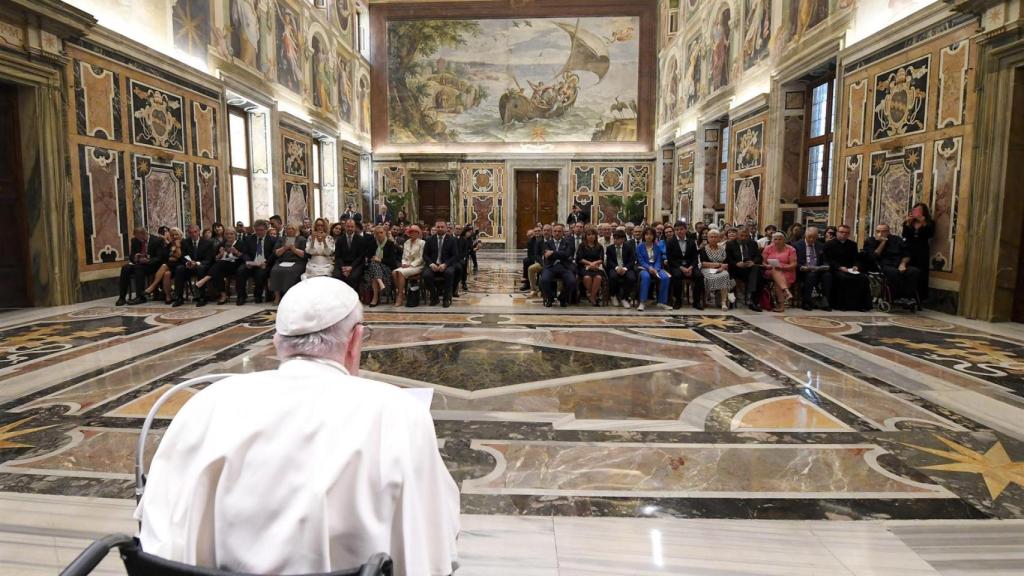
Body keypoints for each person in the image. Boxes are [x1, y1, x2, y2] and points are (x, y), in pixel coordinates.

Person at [136, 277, 460, 576]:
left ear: (277, 341)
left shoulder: (206, 404)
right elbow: (432, 546)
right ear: (355, 340)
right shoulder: (399, 414)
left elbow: (160, 537)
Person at [864, 223, 920, 310]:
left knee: (914, 271)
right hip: (883, 265)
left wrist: (903, 264)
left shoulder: (897, 240)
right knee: (893, 272)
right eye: (878, 231)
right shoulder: (871, 240)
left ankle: (908, 297)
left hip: (899, 263)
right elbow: (874, 256)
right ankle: (897, 297)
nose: (881, 233)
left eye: (883, 231)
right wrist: (883, 242)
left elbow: (907, 254)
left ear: (888, 232)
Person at [825, 224, 872, 311]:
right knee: (844, 278)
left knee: (863, 278)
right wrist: (840, 267)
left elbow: (856, 258)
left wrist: (855, 266)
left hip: (850, 269)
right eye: (841, 232)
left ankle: (861, 306)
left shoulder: (852, 244)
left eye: (846, 233)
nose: (844, 234)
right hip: (836, 269)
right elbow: (828, 260)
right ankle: (843, 305)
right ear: (837, 233)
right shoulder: (829, 244)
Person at [116, 227, 166, 306]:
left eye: (139, 237)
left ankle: (140, 297)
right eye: (136, 237)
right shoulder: (134, 240)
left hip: (152, 266)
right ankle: (122, 297)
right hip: (139, 264)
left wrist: (148, 260)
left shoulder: (157, 240)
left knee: (138, 268)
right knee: (125, 268)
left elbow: (160, 257)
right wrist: (135, 258)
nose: (138, 239)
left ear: (144, 234)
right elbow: (131, 256)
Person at [196, 227, 244, 305]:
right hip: (222, 266)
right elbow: (215, 258)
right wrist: (220, 254)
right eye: (227, 234)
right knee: (217, 271)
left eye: (231, 234)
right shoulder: (222, 244)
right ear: (225, 235)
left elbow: (243, 257)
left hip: (235, 265)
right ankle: (223, 294)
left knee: (218, 266)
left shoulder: (240, 243)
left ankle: (206, 278)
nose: (229, 236)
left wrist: (236, 252)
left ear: (235, 235)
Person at [173, 225, 215, 307]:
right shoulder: (185, 242)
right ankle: (179, 298)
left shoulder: (207, 243)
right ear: (188, 233)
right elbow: (183, 257)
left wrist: (197, 263)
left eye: (195, 232)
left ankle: (202, 297)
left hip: (202, 266)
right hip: (189, 266)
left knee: (201, 268)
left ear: (199, 232)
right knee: (179, 269)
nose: (193, 234)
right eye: (191, 232)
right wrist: (187, 263)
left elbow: (209, 260)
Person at [665, 221, 704, 310]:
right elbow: (670, 259)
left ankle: (696, 302)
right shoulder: (671, 242)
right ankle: (678, 300)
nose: (679, 231)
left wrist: (690, 268)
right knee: (677, 275)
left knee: (699, 276)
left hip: (690, 266)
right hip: (677, 266)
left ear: (686, 230)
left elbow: (695, 258)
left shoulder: (691, 242)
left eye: (681, 229)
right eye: (677, 230)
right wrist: (682, 268)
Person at [236, 219, 275, 305]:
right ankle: (241, 296)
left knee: (260, 273)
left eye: (261, 230)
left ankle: (258, 296)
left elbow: (274, 255)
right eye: (257, 230)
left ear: (266, 230)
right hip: (252, 263)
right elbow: (245, 253)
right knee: (240, 271)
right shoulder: (248, 239)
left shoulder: (272, 240)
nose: (259, 232)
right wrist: (248, 261)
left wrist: (266, 263)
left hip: (264, 264)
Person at [422, 220, 460, 308]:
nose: (440, 228)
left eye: (442, 227)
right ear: (435, 228)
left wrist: (445, 264)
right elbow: (425, 255)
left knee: (449, 273)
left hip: (447, 265)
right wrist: (431, 264)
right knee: (426, 275)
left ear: (446, 228)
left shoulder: (452, 240)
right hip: (433, 265)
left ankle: (446, 298)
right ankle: (434, 296)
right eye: (438, 227)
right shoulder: (430, 239)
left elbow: (455, 256)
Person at [902, 202, 934, 305]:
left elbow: (930, 234)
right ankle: (907, 295)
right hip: (909, 249)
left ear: (924, 212)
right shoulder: (909, 222)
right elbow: (904, 235)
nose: (917, 212)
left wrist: (923, 223)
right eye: (915, 210)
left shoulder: (930, 223)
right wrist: (907, 223)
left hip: (922, 251)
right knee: (909, 271)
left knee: (921, 273)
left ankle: (920, 297)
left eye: (919, 210)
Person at [794, 227, 832, 311]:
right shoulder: (797, 245)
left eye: (814, 237)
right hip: (803, 271)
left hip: (818, 270)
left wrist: (825, 266)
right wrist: (801, 267)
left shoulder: (821, 245)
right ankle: (806, 302)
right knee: (811, 275)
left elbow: (825, 260)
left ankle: (825, 302)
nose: (811, 239)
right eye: (809, 237)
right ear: (805, 235)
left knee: (827, 276)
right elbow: (794, 261)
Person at [726, 227, 763, 311]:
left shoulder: (753, 243)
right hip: (736, 269)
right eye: (741, 235)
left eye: (746, 236)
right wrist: (736, 263)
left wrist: (753, 262)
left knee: (758, 273)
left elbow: (759, 257)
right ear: (737, 235)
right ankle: (734, 300)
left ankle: (753, 301)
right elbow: (727, 259)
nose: (744, 238)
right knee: (755, 275)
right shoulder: (731, 244)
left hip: (749, 268)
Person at [269, 224, 307, 305]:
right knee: (275, 270)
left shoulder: (301, 239)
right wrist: (285, 248)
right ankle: (277, 297)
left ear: (296, 230)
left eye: (292, 228)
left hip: (297, 262)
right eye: (288, 229)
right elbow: (276, 253)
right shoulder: (281, 239)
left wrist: (294, 249)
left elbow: (304, 255)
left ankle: (289, 297)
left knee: (290, 272)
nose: (290, 230)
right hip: (282, 261)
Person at [699, 229, 736, 311]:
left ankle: (723, 302)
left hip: (721, 269)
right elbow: (703, 263)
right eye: (711, 237)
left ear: (719, 238)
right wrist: (718, 265)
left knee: (725, 275)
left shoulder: (722, 249)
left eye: (715, 237)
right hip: (707, 270)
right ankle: (705, 299)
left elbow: (726, 263)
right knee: (705, 278)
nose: (713, 239)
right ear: (708, 238)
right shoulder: (703, 249)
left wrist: (721, 268)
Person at [540, 223, 576, 308]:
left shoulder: (567, 242)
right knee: (544, 280)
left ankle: (562, 298)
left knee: (572, 282)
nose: (557, 233)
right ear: (552, 232)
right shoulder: (547, 243)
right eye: (555, 231)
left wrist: (553, 252)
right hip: (550, 267)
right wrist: (560, 254)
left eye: (559, 231)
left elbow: (567, 254)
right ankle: (550, 298)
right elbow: (546, 255)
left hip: (564, 267)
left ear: (563, 232)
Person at [636, 228, 671, 312]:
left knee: (665, 277)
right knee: (646, 277)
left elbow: (659, 260)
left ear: (654, 236)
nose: (649, 236)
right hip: (644, 267)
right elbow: (641, 261)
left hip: (656, 267)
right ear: (644, 236)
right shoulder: (639, 247)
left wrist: (656, 269)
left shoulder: (657, 247)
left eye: (651, 234)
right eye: (647, 234)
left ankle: (662, 302)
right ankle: (642, 302)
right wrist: (649, 268)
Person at [761, 232, 797, 312]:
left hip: (787, 270)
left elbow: (794, 264)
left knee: (778, 280)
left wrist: (782, 267)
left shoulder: (791, 249)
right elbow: (763, 262)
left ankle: (781, 304)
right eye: (775, 239)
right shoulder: (768, 248)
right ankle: (786, 292)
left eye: (780, 239)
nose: (777, 241)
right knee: (775, 270)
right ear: (772, 240)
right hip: (770, 270)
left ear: (784, 240)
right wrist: (766, 266)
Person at [366, 225, 400, 307]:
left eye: (381, 232)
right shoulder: (372, 244)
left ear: (384, 233)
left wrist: (380, 260)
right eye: (377, 233)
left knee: (374, 268)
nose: (379, 235)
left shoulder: (390, 244)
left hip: (387, 269)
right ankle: (380, 284)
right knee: (374, 265)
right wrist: (375, 259)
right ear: (375, 234)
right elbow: (369, 256)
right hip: (374, 270)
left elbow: (392, 261)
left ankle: (375, 298)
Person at [393, 225, 425, 307]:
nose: (411, 234)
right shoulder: (406, 242)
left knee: (400, 273)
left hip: (417, 266)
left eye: (414, 232)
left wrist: (410, 265)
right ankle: (402, 292)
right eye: (410, 232)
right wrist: (404, 263)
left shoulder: (422, 243)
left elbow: (421, 258)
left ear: (418, 233)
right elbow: (403, 256)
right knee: (394, 272)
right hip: (406, 265)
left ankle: (399, 296)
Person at [605, 229, 636, 308]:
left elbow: (631, 261)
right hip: (614, 267)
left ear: (623, 239)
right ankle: (613, 295)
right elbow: (609, 261)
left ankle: (624, 298)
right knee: (612, 276)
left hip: (626, 268)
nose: (615, 240)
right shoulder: (610, 248)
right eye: (614, 238)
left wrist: (624, 269)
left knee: (631, 278)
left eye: (618, 239)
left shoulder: (629, 248)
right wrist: (617, 268)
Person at [334, 219, 367, 292]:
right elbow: (338, 256)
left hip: (355, 265)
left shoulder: (360, 239)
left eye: (352, 227)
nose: (350, 228)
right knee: (336, 276)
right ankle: (340, 296)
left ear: (355, 227)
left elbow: (361, 256)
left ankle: (353, 297)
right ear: (345, 227)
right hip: (342, 265)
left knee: (353, 277)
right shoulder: (340, 240)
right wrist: (343, 268)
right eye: (348, 226)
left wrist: (351, 267)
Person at [576, 226, 605, 306]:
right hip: (584, 267)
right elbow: (580, 259)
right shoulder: (582, 246)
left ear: (596, 236)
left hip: (596, 267)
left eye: (593, 234)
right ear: (586, 236)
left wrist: (595, 263)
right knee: (587, 278)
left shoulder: (599, 246)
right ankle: (594, 296)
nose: (591, 236)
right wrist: (589, 263)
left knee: (598, 278)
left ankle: (591, 296)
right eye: (588, 235)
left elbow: (601, 259)